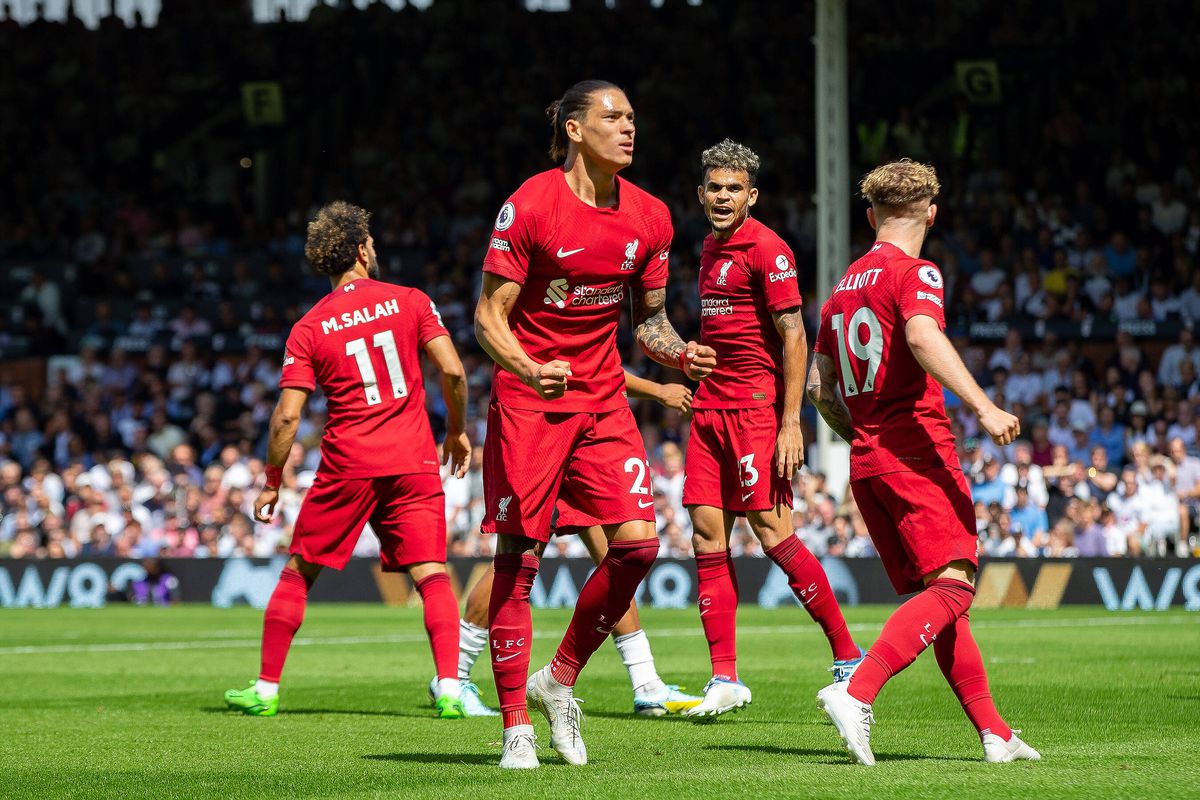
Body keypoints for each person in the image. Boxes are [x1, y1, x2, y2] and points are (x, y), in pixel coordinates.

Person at [474, 80, 717, 769]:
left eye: (633, 118)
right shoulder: (531, 206)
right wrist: (526, 368)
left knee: (638, 547)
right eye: (613, 117)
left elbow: (650, 322)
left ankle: (557, 681)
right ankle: (515, 725)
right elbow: (488, 317)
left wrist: (681, 351)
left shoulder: (651, 217)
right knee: (518, 565)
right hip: (530, 405)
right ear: (575, 130)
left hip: (603, 400)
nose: (628, 128)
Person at [806, 160, 1039, 765]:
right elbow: (920, 335)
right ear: (932, 214)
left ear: (870, 216)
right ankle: (857, 692)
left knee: (937, 600)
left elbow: (819, 390)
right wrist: (985, 407)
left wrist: (862, 437)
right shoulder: (917, 272)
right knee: (956, 588)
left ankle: (994, 732)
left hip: (868, 462)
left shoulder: (839, 291)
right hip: (917, 451)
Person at [223, 202, 472, 718]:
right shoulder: (410, 300)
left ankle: (266, 689)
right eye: (372, 243)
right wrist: (456, 432)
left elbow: (286, 418)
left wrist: (272, 481)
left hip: (348, 464)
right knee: (432, 577)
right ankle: (450, 685)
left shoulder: (309, 327)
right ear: (361, 250)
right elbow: (454, 372)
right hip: (413, 461)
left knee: (297, 574)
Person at [679, 139, 863, 720]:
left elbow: (794, 334)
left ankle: (846, 653)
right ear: (701, 193)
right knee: (707, 535)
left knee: (771, 532)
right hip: (709, 409)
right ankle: (724, 676)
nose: (724, 197)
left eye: (734, 189)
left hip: (756, 410)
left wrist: (791, 422)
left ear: (752, 195)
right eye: (715, 188)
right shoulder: (708, 248)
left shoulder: (769, 250)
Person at [436, 372, 702, 717]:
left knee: (616, 558)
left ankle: (647, 684)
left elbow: (596, 367)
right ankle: (454, 679)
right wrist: (658, 389)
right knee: (517, 557)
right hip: (541, 433)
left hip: (584, 435)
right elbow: (592, 368)